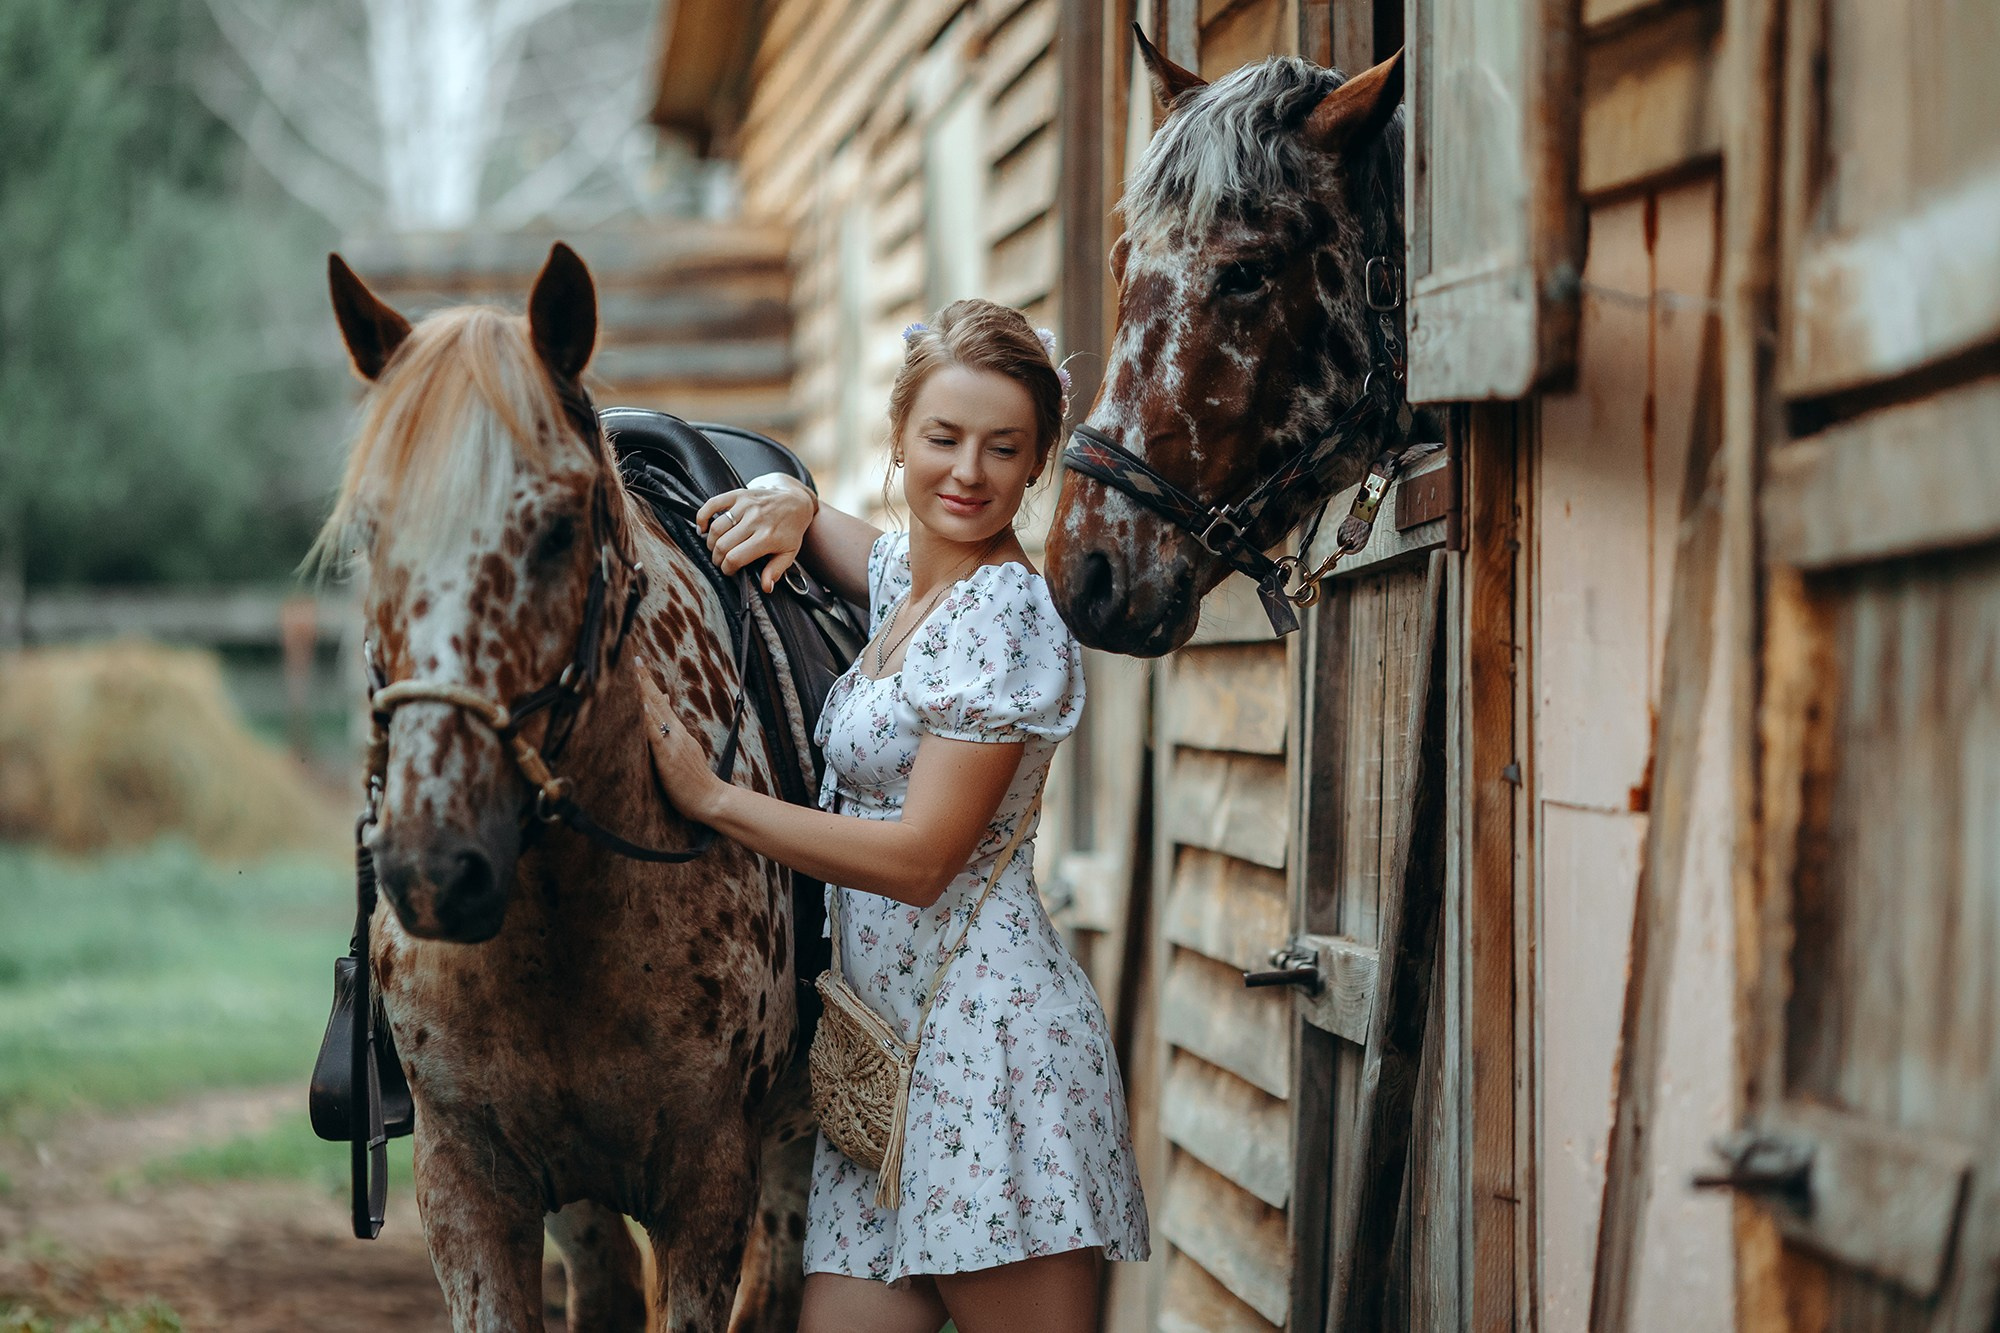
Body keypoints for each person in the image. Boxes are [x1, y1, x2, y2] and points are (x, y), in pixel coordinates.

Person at [640, 299, 1150, 1333]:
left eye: (1002, 448)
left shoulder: (1003, 615)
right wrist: (788, 499)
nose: (967, 472)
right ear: (900, 438)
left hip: (987, 1061)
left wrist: (714, 800)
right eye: (943, 439)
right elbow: (860, 547)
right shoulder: (912, 588)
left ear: (1036, 461)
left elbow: (920, 860)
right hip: (879, 1076)